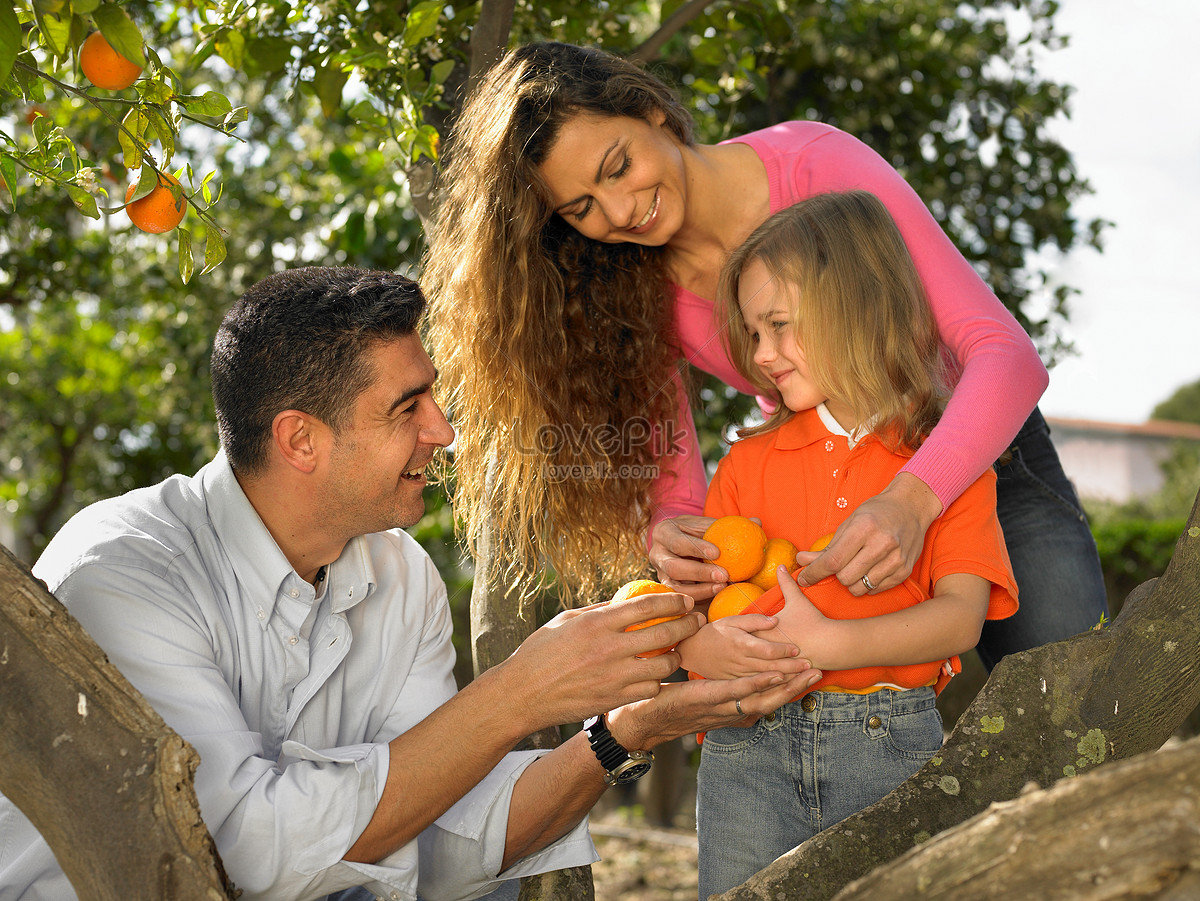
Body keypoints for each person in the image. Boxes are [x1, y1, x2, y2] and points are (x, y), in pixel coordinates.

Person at [0, 267, 819, 901]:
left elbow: (439, 834)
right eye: (408, 407)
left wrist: (622, 731)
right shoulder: (126, 572)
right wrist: (518, 693)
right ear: (301, 440)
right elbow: (241, 852)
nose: (446, 431)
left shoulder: (397, 573)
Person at [422, 41, 1106, 670]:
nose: (621, 209)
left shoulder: (815, 164)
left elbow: (1005, 354)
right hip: (829, 512)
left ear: (651, 110)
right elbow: (679, 492)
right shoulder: (629, 289)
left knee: (1076, 703)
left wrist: (911, 499)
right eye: (582, 207)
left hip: (981, 461)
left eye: (619, 166)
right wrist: (670, 537)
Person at [674, 191, 1019, 898]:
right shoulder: (745, 464)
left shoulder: (941, 465)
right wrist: (699, 651)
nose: (762, 355)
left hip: (886, 745)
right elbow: (694, 617)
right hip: (748, 749)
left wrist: (826, 645)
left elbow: (961, 618)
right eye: (753, 333)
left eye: (779, 326)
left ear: (858, 306)